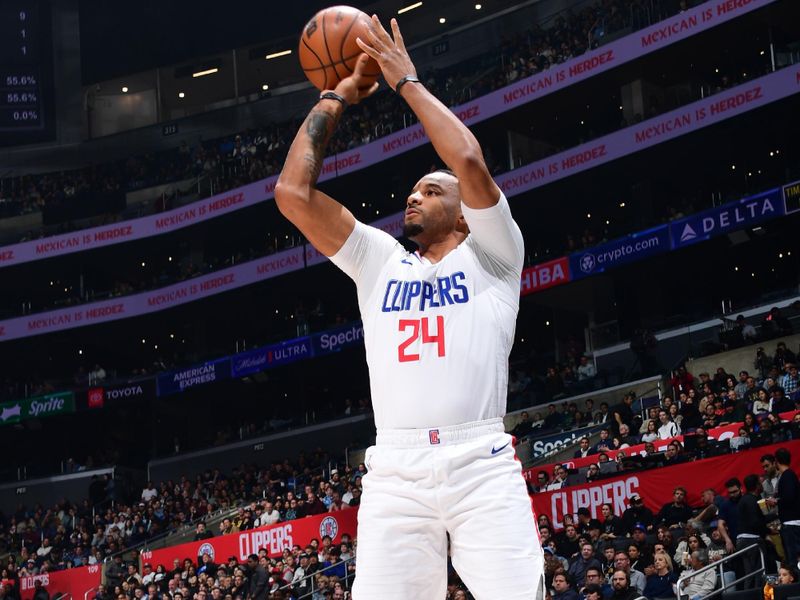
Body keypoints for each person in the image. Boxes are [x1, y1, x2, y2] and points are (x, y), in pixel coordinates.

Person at [274, 16, 542, 599]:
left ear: (466, 212)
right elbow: (293, 195)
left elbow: (468, 161)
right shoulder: (378, 259)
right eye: (412, 191)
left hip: (481, 460)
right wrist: (337, 93)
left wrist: (407, 82)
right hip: (395, 470)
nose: (412, 196)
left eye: (430, 190)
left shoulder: (496, 253)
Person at [770, 448, 800, 568]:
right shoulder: (789, 475)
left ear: (776, 461)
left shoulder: (788, 475)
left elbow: (789, 497)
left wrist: (775, 501)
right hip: (791, 523)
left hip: (792, 524)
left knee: (793, 560)